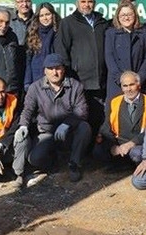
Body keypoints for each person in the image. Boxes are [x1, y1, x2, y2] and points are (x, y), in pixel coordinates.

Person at [17, 53, 91, 182]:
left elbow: (82, 111)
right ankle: (53, 163)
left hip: (68, 131)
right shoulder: (35, 88)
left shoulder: (75, 86)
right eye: (50, 69)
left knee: (85, 128)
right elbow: (28, 109)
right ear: (45, 70)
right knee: (34, 159)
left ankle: (74, 163)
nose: (54, 72)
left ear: (63, 69)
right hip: (47, 132)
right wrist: (23, 125)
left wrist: (67, 124)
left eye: (58, 68)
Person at [55, 0, 110, 137]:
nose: (86, 5)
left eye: (90, 1)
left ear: (95, 3)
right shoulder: (68, 23)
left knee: (98, 117)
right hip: (79, 80)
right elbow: (62, 51)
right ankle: (78, 152)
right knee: (80, 117)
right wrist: (69, 77)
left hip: (100, 81)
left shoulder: (102, 23)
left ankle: (94, 152)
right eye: (83, 1)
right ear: (77, 3)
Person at [96, 71, 146, 165]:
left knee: (137, 154)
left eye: (132, 85)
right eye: (125, 86)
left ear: (138, 85)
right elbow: (106, 126)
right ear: (122, 87)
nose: (129, 89)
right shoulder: (115, 102)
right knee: (98, 151)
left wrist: (131, 143)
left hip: (139, 143)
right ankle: (120, 164)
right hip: (120, 142)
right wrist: (114, 147)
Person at [104, 1, 146, 102]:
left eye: (130, 14)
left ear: (135, 15)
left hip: (139, 84)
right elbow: (109, 57)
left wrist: (139, 79)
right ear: (117, 17)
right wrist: (121, 80)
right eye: (123, 15)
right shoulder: (110, 34)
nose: (126, 18)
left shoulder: (143, 33)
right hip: (117, 84)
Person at [24, 2, 60, 91]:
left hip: (56, 76)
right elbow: (28, 60)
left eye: (47, 14)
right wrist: (27, 82)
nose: (45, 18)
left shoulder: (60, 32)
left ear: (53, 15)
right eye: (41, 15)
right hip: (37, 77)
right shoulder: (32, 33)